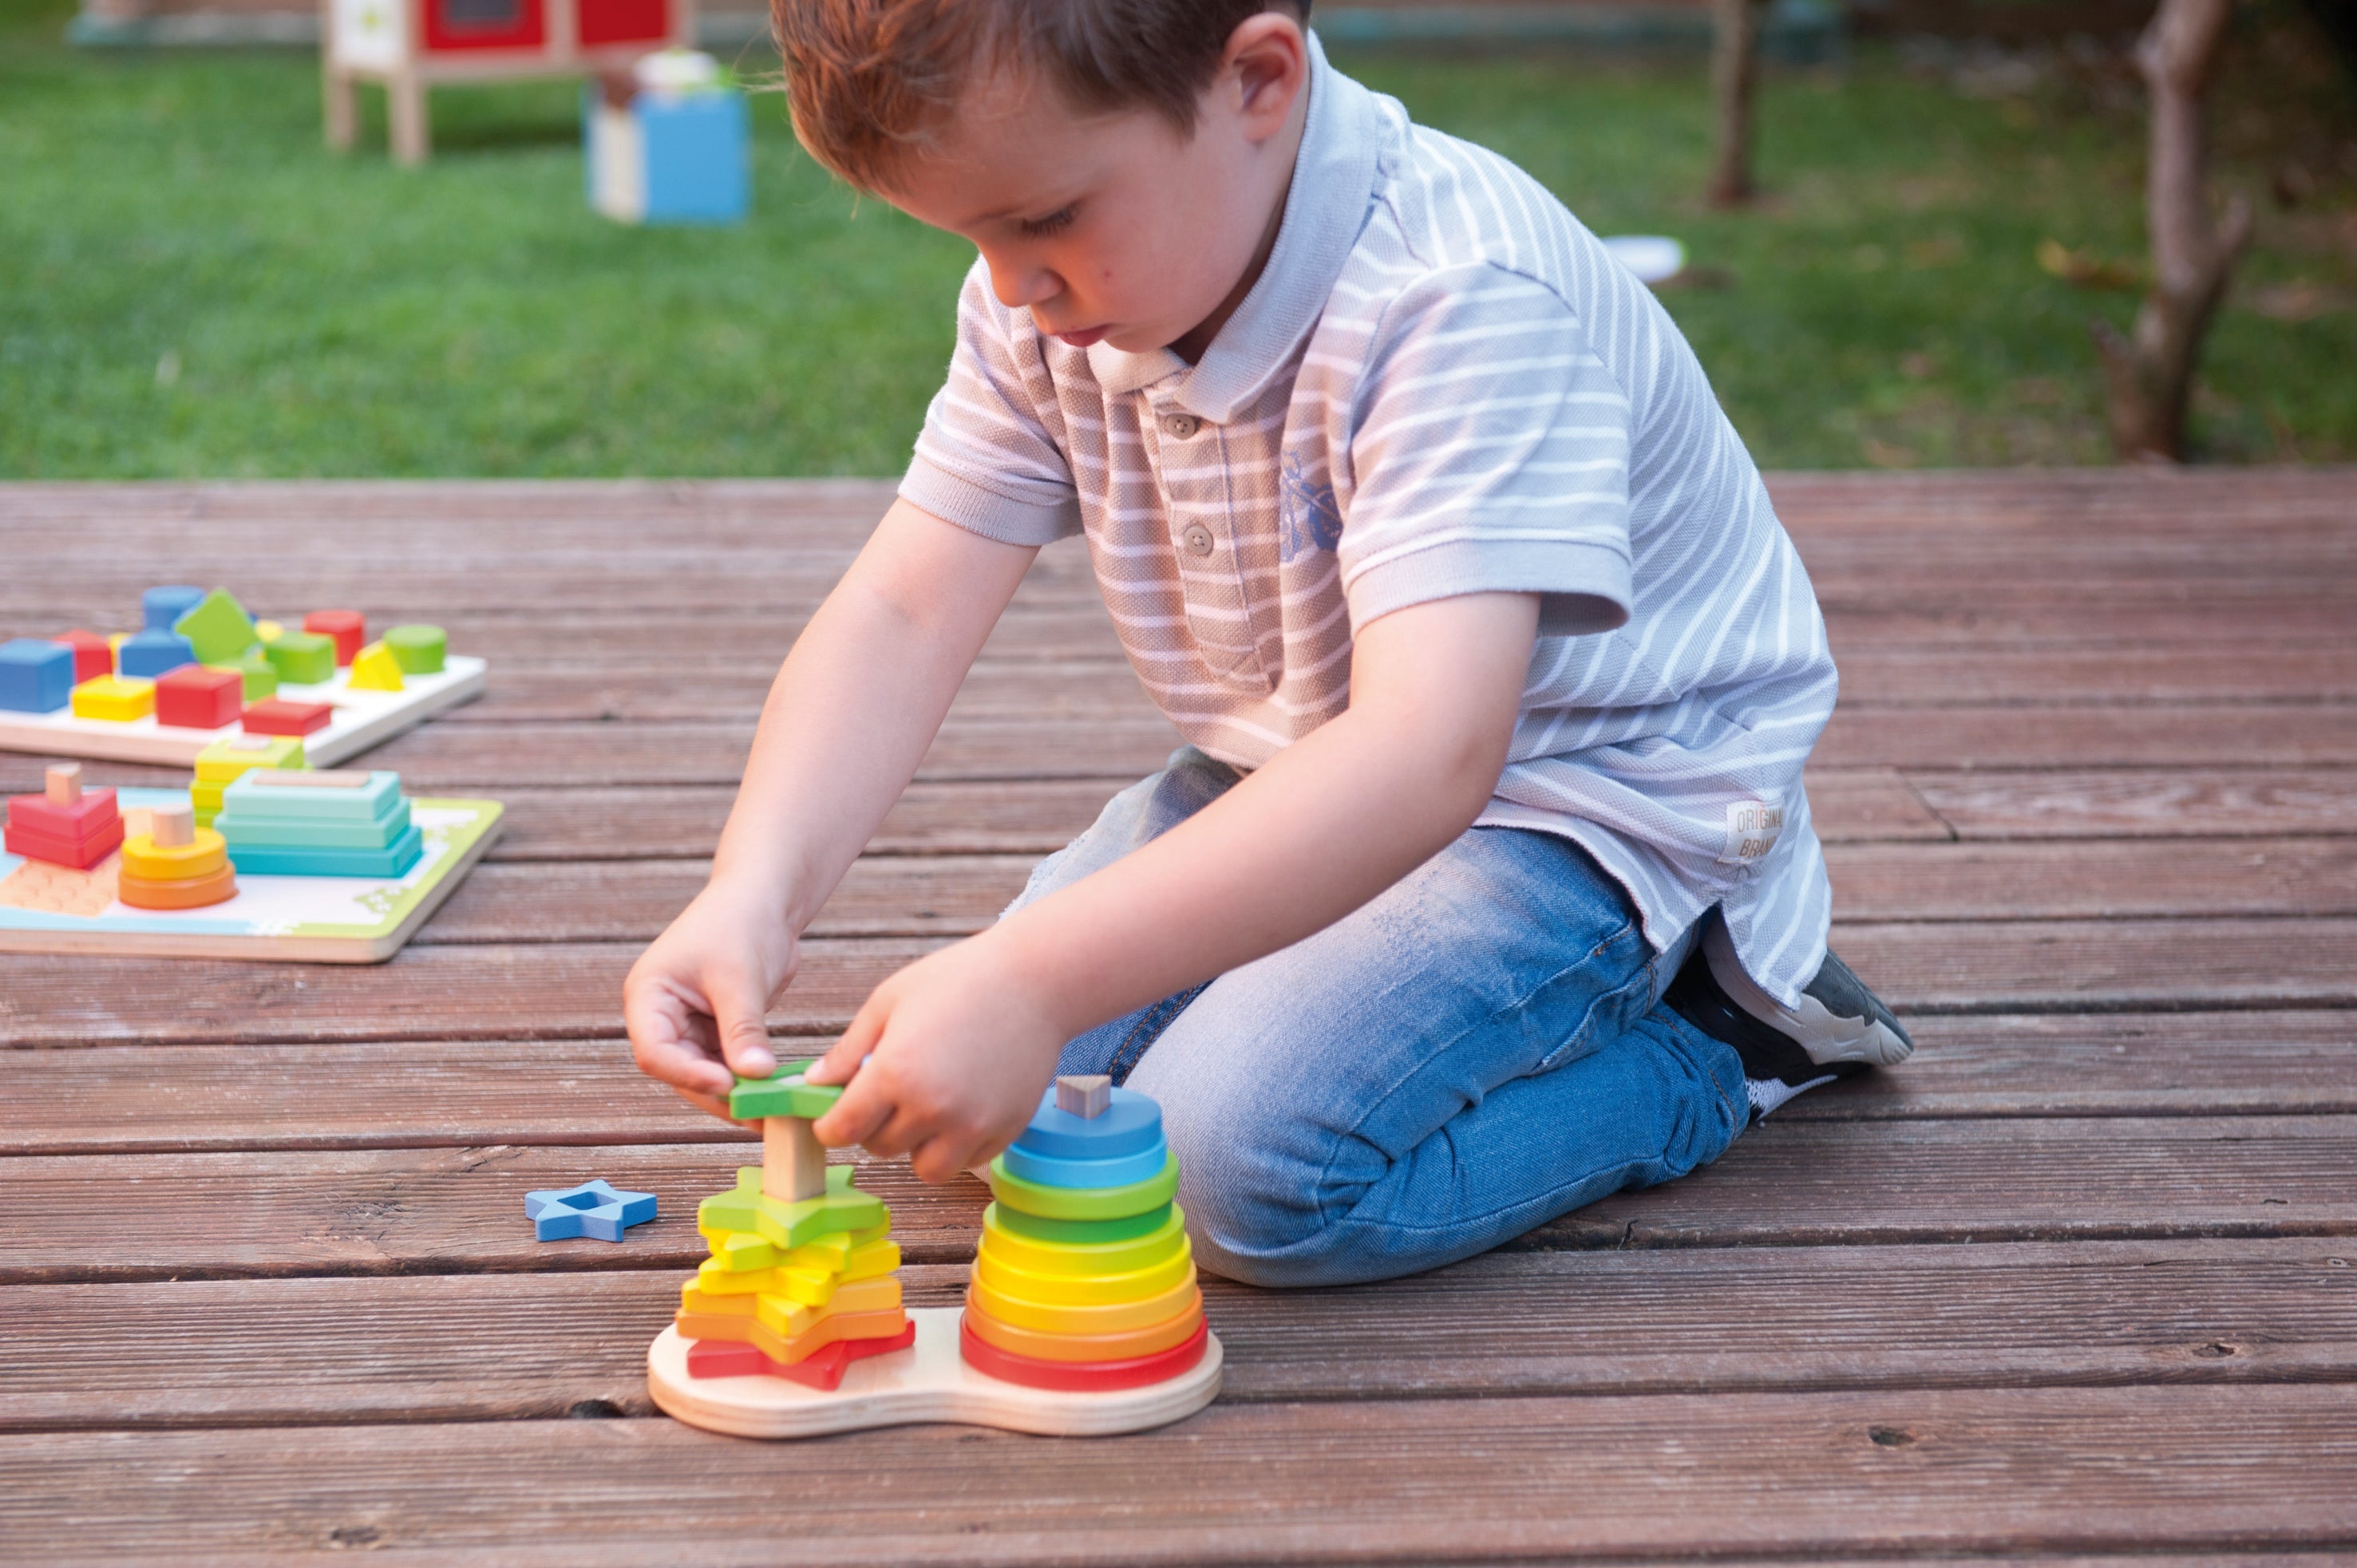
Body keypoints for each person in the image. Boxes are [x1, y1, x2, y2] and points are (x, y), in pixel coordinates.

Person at [623, 0, 1912, 1290]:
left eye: (1042, 219)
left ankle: (1708, 1048)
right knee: (1004, 1114)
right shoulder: (1059, 300)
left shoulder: (1454, 297)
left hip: (1578, 804)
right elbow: (904, 607)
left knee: (1224, 1173)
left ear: (1255, 83)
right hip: (1304, 767)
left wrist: (1022, 977)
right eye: (968, 233)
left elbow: (1429, 750)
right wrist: (756, 889)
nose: (1009, 286)